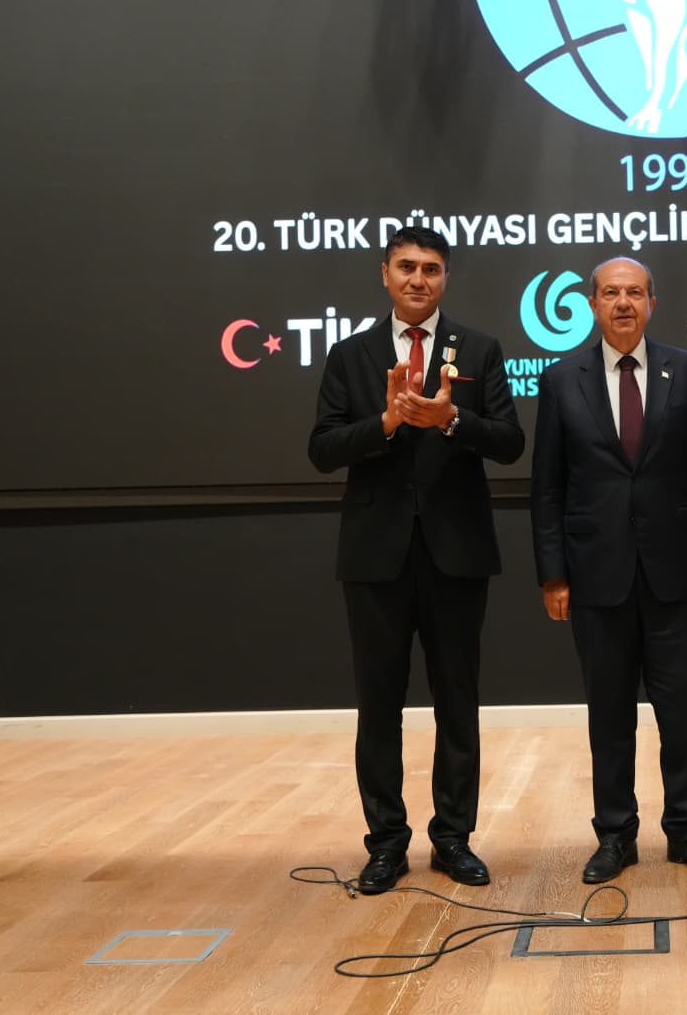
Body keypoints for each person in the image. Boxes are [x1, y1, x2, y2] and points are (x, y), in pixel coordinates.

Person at [308, 226, 524, 893]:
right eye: (406, 267)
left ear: (445, 278)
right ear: (385, 274)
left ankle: (453, 838)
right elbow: (322, 449)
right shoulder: (350, 355)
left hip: (456, 555)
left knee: (457, 703)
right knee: (379, 706)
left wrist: (448, 420)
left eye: (431, 269)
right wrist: (387, 423)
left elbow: (510, 442)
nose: (418, 279)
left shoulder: (480, 349)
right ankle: (386, 844)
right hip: (376, 558)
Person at [530, 256, 687, 884]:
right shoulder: (561, 379)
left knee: (684, 712)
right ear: (592, 304)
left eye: (635, 293)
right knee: (609, 715)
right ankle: (615, 835)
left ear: (652, 303)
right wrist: (553, 572)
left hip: (678, 572)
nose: (623, 303)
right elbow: (548, 486)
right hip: (597, 575)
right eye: (612, 293)